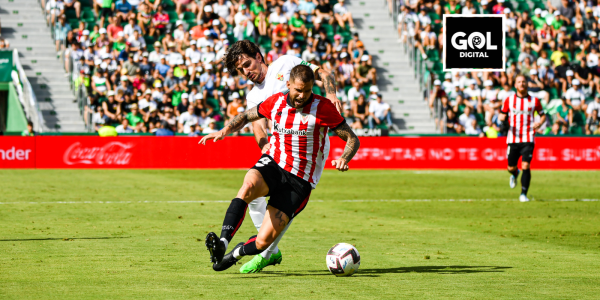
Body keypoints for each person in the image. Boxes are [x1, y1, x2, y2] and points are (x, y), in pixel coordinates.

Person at [199, 64, 360, 272]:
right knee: (247, 186)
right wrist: (224, 130)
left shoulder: (322, 107)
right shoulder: (275, 102)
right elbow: (247, 116)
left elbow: (352, 138)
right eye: (298, 90)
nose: (302, 95)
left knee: (263, 242)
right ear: (288, 85)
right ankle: (222, 243)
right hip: (275, 163)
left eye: (308, 91)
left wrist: (344, 158)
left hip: (299, 180)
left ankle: (232, 255)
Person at [499, 74, 546, 202]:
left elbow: (543, 115)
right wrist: (501, 120)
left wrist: (539, 123)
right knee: (511, 167)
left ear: (527, 84)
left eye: (524, 82)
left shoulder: (534, 101)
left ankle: (523, 194)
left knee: (526, 165)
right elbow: (502, 115)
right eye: (519, 82)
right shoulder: (509, 100)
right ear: (515, 85)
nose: (522, 84)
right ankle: (515, 174)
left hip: (528, 137)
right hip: (513, 138)